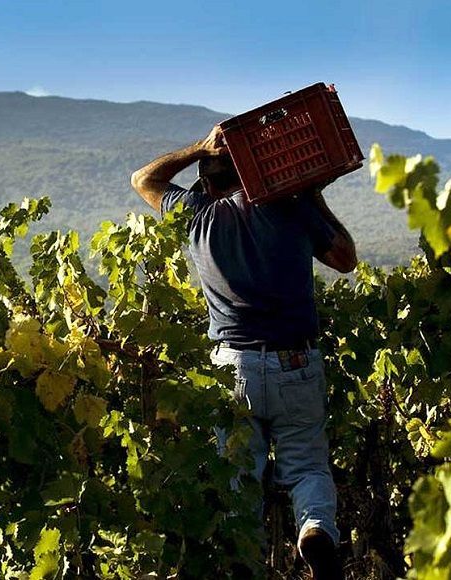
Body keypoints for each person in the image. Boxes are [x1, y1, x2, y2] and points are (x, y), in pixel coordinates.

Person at [130, 125, 356, 580]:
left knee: (239, 477)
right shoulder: (289, 207)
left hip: (234, 367)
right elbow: (345, 258)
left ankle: (242, 560)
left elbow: (143, 179)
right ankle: (314, 531)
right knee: (307, 464)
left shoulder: (195, 213)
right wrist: (311, 194)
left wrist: (197, 146)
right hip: (296, 362)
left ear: (208, 184)